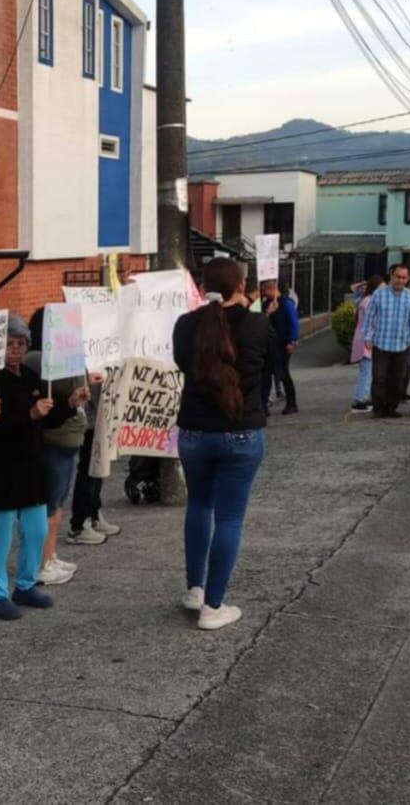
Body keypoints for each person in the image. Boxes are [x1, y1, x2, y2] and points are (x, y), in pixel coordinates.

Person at [172, 258, 275, 631]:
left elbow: (184, 364)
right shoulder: (258, 325)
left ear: (202, 286)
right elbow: (268, 372)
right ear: (240, 286)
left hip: (194, 433)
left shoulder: (185, 325)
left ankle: (195, 590)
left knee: (198, 506)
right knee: (229, 517)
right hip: (241, 431)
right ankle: (214, 607)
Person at [0, 315, 81, 619]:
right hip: (1, 466)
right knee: (1, 533)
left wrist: (70, 402)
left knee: (36, 529)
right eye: (9, 345)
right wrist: (31, 413)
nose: (15, 350)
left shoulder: (30, 376)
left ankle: (25, 583)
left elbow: (50, 415)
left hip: (32, 466)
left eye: (20, 344)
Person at [26, 309, 117, 548]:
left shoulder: (61, 355)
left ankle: (49, 555)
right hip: (57, 435)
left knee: (56, 501)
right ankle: (44, 558)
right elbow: (56, 392)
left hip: (70, 432)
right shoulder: (38, 358)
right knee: (51, 503)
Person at [361, 264, 410, 419]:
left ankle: (391, 407)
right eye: (397, 277)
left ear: (407, 279)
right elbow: (369, 317)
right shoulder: (379, 295)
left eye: (403, 278)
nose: (400, 280)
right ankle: (379, 408)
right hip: (381, 343)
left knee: (398, 379)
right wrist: (367, 337)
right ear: (391, 276)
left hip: (402, 344)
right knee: (379, 378)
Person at [260, 280, 299, 416]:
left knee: (282, 373)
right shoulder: (265, 304)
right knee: (265, 374)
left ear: (272, 288)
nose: (263, 293)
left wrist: (292, 341)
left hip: (282, 344)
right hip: (268, 345)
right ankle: (263, 404)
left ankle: (291, 402)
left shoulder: (286, 303)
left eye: (265, 290)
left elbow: (294, 323)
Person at [349, 276, 384, 413]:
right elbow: (375, 322)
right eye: (381, 288)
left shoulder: (364, 300)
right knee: (367, 372)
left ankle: (362, 397)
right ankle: (360, 400)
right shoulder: (369, 301)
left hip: (363, 339)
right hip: (366, 340)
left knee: (367, 371)